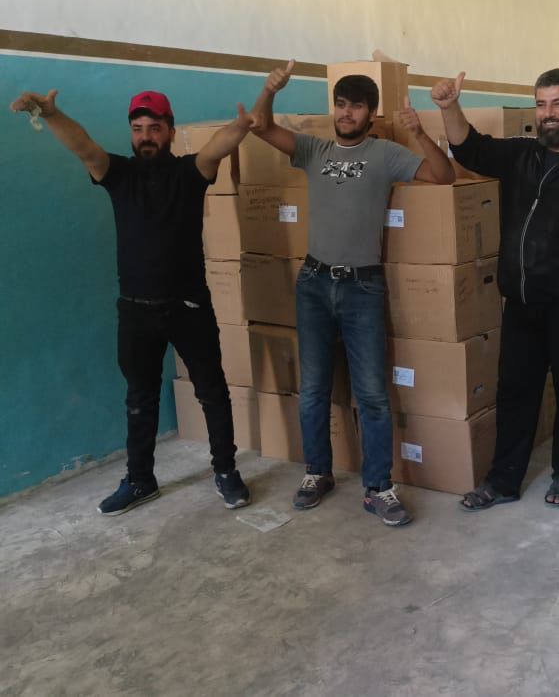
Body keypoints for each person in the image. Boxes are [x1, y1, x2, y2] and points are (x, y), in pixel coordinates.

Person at [9, 87, 257, 514]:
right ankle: (141, 480)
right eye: (138, 128)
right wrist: (52, 115)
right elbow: (84, 146)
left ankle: (225, 471)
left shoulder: (189, 172)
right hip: (136, 310)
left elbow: (216, 149)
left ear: (170, 131)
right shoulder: (118, 173)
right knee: (139, 400)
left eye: (155, 128)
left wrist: (240, 127)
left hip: (189, 307)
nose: (146, 135)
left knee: (212, 392)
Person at [248, 62, 454, 527]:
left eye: (356, 105)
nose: (346, 113)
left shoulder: (386, 153)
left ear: (370, 113)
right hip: (314, 284)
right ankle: (317, 473)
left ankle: (378, 487)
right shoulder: (314, 149)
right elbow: (259, 125)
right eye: (340, 104)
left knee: (373, 394)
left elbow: (443, 177)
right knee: (314, 390)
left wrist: (419, 132)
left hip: (362, 286)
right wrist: (270, 90)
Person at [432, 69, 559, 510]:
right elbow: (470, 148)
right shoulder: (523, 155)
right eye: (541, 105)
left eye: (557, 104)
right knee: (515, 393)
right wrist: (449, 107)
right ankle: (503, 480)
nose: (547, 114)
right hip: (522, 305)